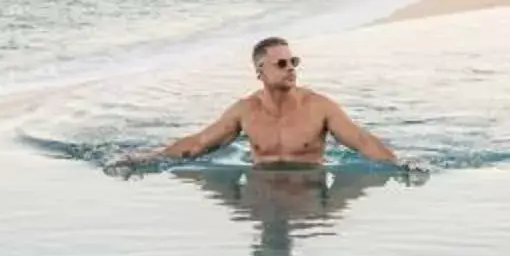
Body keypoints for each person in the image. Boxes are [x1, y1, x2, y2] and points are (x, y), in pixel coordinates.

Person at [106, 37, 402, 171]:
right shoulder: (245, 111)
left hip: (310, 190)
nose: (291, 68)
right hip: (262, 189)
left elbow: (361, 141)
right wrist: (146, 159)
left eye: (293, 61)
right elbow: (199, 143)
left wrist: (400, 164)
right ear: (260, 71)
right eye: (282, 63)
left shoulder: (320, 107)